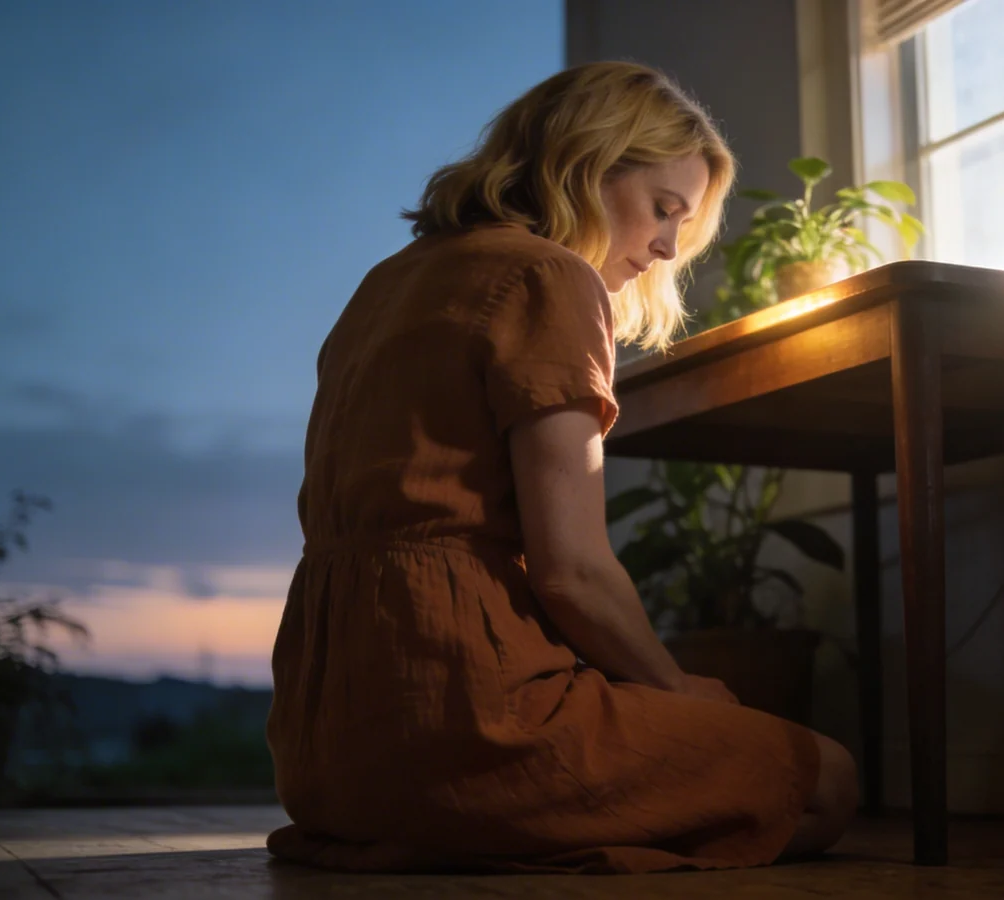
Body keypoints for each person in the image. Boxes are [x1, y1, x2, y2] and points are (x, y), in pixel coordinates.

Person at [265, 60, 858, 875]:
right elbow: (572, 571)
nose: (666, 247)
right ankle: (482, 825)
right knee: (824, 779)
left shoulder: (385, 283)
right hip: (464, 715)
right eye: (663, 208)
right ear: (585, 165)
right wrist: (675, 687)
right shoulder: (549, 275)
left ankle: (445, 837)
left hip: (323, 747)